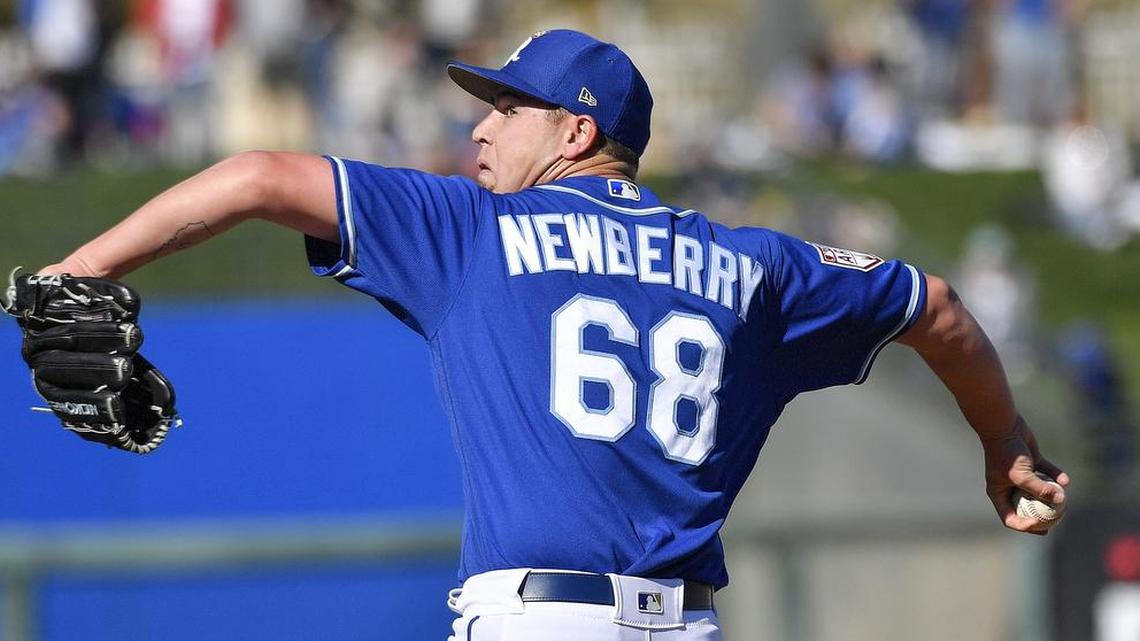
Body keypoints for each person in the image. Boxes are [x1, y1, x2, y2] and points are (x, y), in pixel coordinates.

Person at [30, 29, 1068, 641]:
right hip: (683, 623)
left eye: (509, 108)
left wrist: (82, 271)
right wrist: (1003, 442)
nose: (480, 127)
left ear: (575, 132)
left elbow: (258, 178)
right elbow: (936, 306)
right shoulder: (758, 268)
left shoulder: (473, 232)